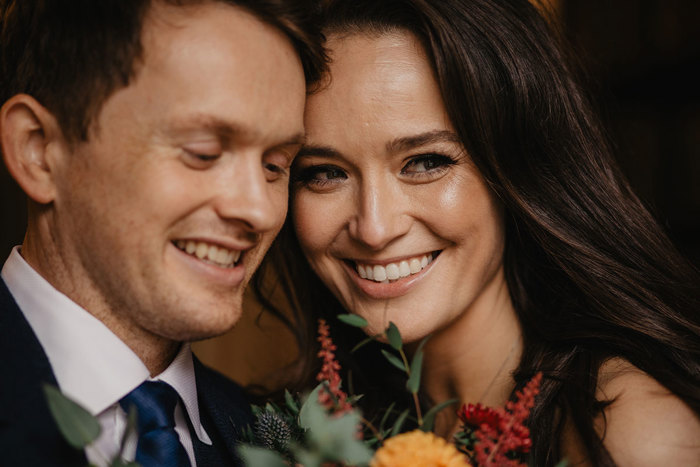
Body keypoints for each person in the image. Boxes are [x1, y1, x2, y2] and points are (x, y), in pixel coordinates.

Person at [255, 0, 700, 465]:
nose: (374, 228)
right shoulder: (306, 433)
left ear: (518, 172)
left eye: (426, 162)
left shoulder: (627, 432)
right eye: (324, 173)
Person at [0, 0, 324, 465]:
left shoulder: (277, 442)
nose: (258, 210)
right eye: (203, 152)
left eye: (275, 166)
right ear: (40, 149)